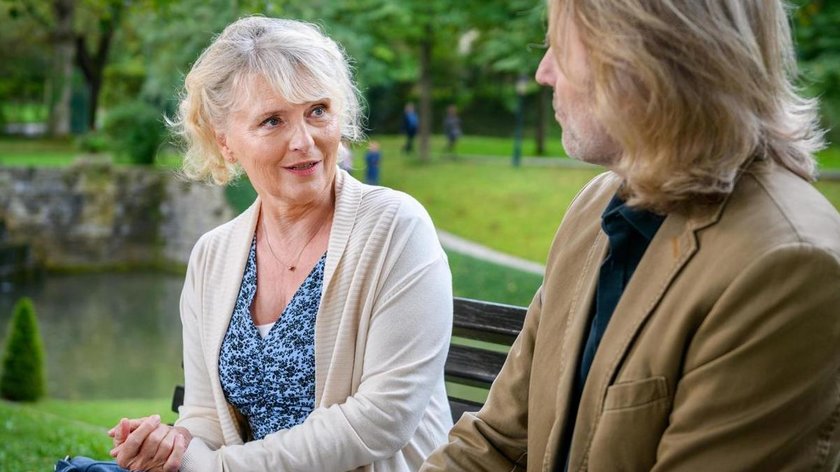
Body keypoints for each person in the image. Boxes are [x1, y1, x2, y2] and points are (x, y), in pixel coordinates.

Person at [422, 0, 840, 470]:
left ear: (644, 58)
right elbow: (495, 442)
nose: (543, 73)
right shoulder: (597, 206)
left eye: (559, 47)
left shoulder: (787, 264)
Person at [104, 16, 453, 472]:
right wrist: (174, 444)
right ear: (225, 142)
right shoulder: (212, 255)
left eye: (318, 111)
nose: (304, 141)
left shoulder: (395, 228)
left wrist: (219, 468)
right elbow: (207, 415)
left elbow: (380, 420)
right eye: (273, 121)